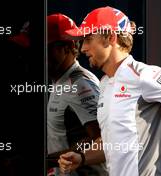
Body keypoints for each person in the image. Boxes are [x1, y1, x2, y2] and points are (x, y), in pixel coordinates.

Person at [58, 6, 161, 176]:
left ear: (110, 38)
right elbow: (111, 143)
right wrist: (82, 157)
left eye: (89, 39)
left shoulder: (145, 74)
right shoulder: (104, 84)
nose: (83, 48)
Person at [47, 13, 106, 175]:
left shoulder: (79, 85)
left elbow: (100, 139)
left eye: (46, 48)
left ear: (67, 47)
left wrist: (48, 161)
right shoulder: (60, 79)